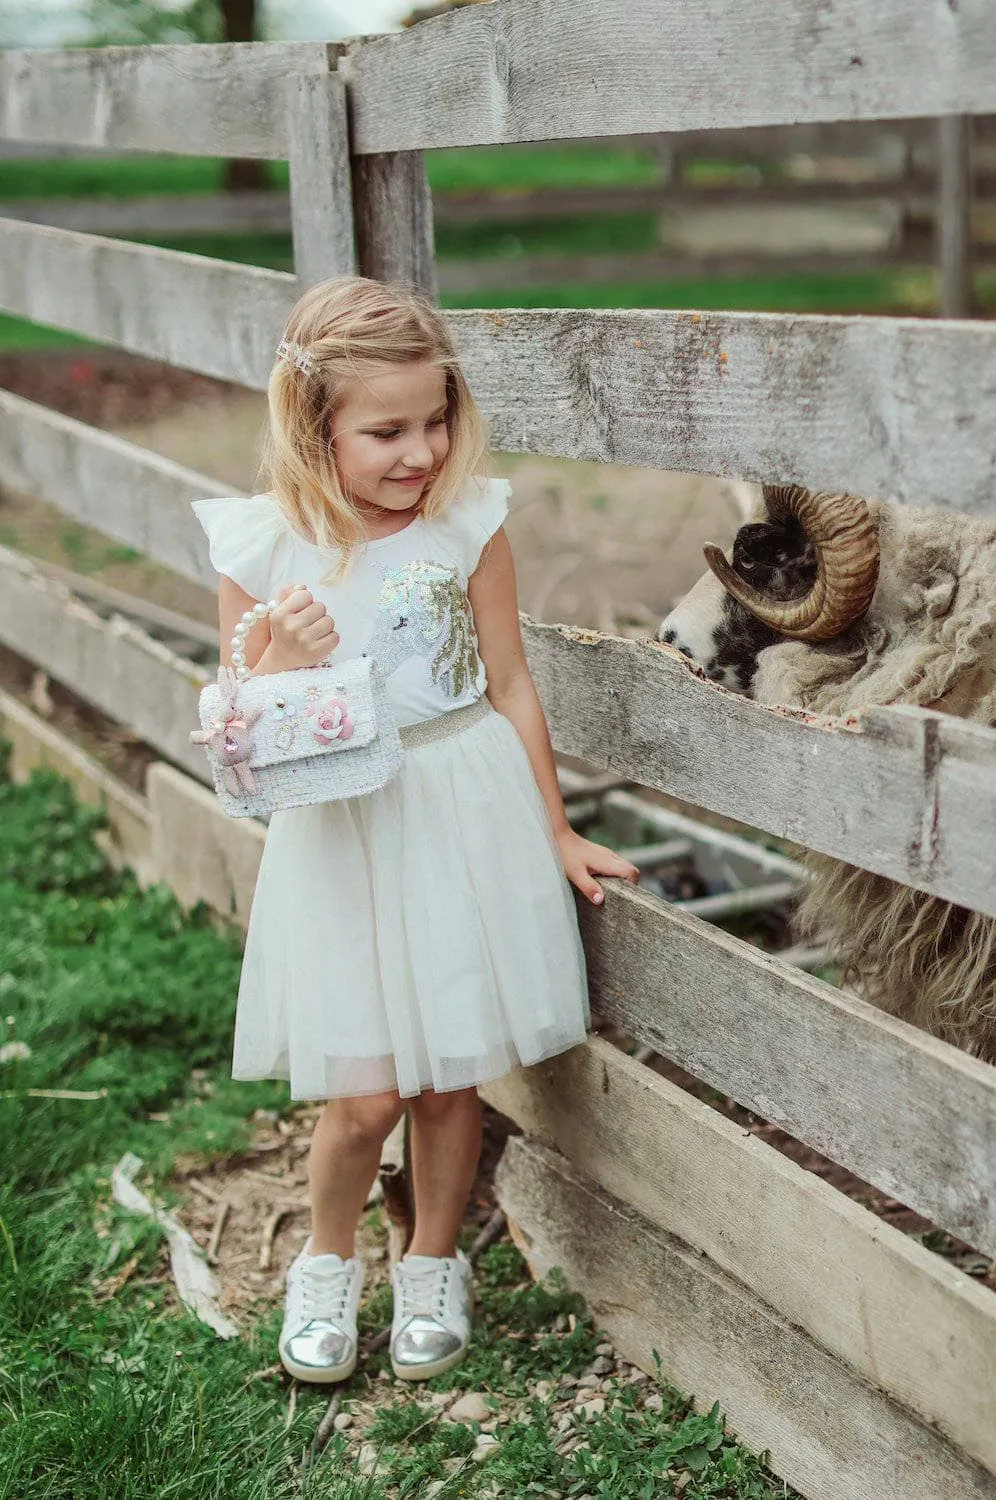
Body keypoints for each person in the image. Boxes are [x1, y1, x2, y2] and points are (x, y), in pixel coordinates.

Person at [192, 276, 638, 1386]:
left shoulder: (468, 523)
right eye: (385, 430)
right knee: (366, 1092)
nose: (420, 451)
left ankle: (434, 1260)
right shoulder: (262, 550)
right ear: (315, 428)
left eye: (434, 420)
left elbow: (510, 680)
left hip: (463, 804)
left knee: (449, 1080)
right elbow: (241, 730)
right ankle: (330, 1260)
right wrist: (281, 662)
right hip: (346, 831)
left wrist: (555, 828)